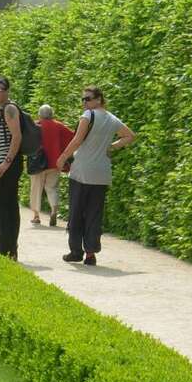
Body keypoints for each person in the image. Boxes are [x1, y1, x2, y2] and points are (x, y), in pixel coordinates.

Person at [56, 86, 136, 266]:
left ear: (99, 99)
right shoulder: (112, 119)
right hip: (102, 174)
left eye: (88, 99)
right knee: (94, 214)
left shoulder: (87, 116)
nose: (84, 102)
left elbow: (77, 140)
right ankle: (90, 253)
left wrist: (62, 157)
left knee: (76, 212)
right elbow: (130, 136)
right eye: (83, 99)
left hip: (81, 171)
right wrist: (111, 147)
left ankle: (76, 251)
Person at [0, 75, 23, 260]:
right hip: (3, 164)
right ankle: (6, 247)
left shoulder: (9, 109)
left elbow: (16, 137)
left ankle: (8, 247)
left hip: (8, 165)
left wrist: (5, 163)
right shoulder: (1, 110)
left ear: (7, 91)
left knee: (4, 206)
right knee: (1, 206)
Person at [29, 104, 74, 227]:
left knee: (36, 188)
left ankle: (36, 216)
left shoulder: (35, 125)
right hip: (55, 162)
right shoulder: (58, 125)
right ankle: (54, 210)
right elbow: (73, 137)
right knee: (52, 188)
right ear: (51, 114)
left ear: (39, 114)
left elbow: (26, 141)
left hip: (37, 163)